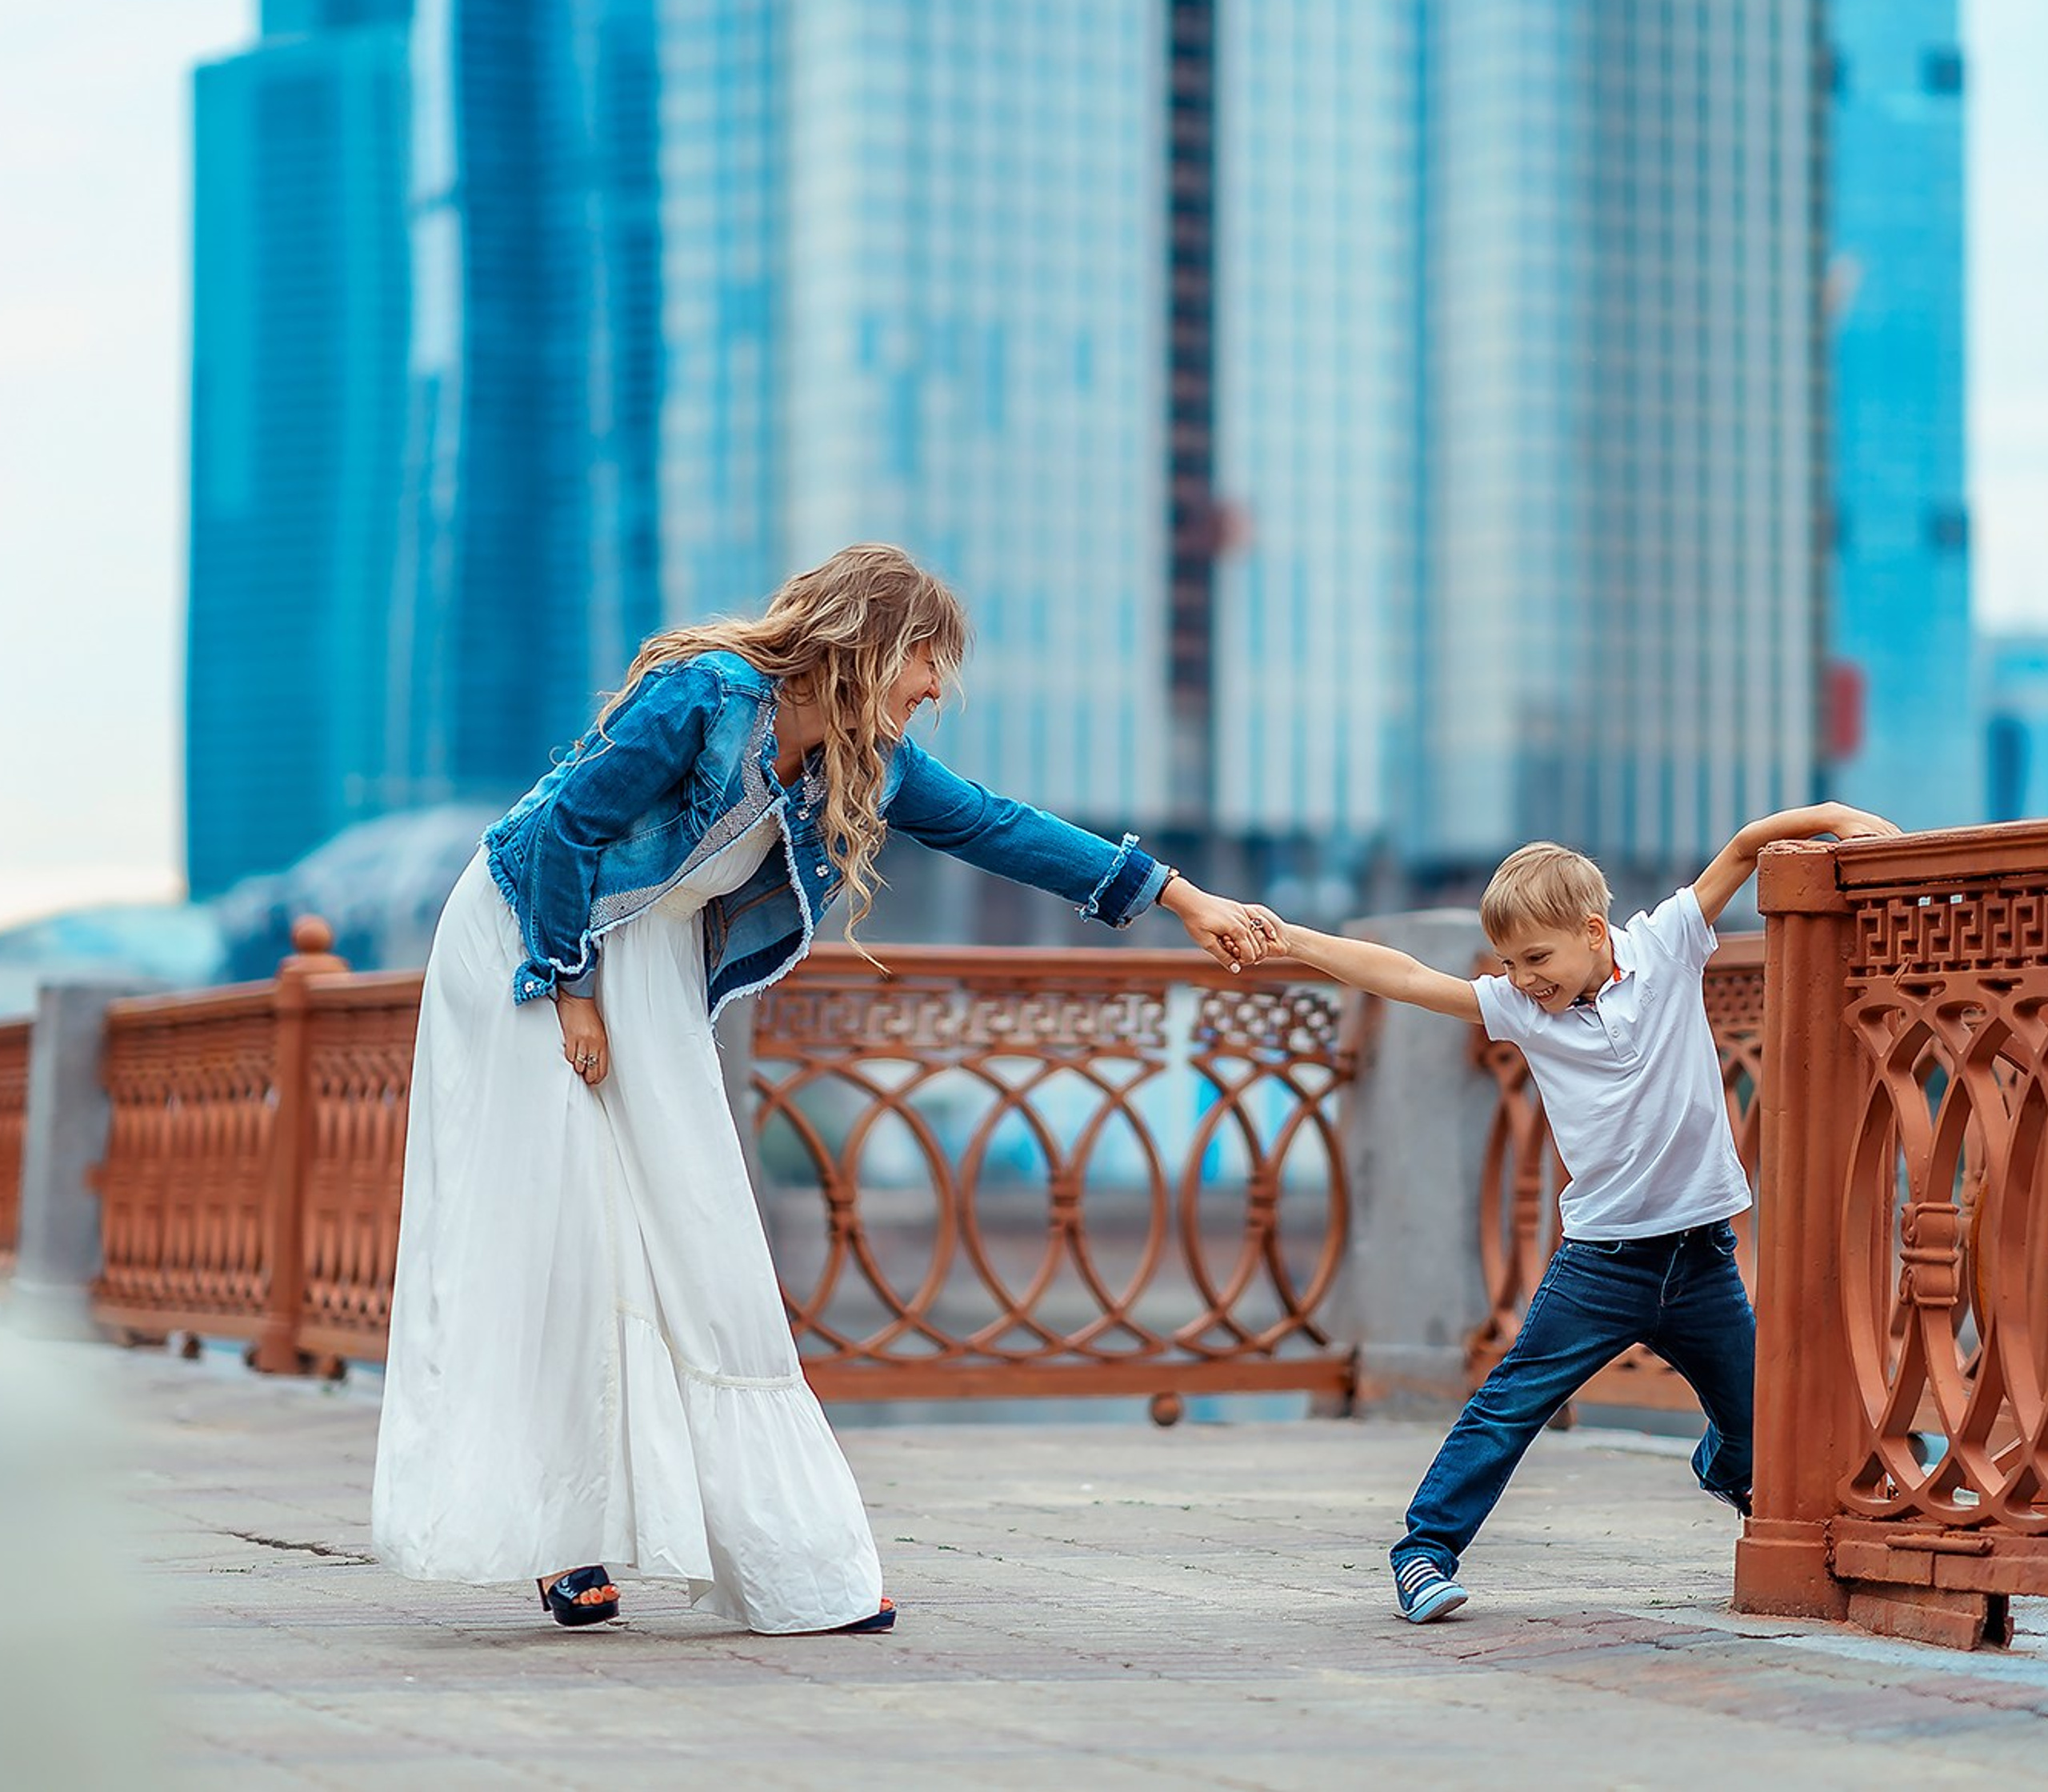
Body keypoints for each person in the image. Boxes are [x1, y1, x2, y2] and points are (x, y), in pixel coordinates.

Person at [370, 543, 1275, 1635]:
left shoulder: (865, 760)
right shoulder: (705, 697)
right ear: (873, 643)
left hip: (643, 959)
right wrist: (565, 989)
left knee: (697, 1238)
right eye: (929, 663)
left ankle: (794, 1561)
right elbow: (567, 829)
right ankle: (565, 1541)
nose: (936, 691)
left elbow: (1000, 825)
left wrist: (1181, 896)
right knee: (568, 1231)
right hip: (530, 937)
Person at [1253, 802, 1898, 1623]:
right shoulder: (1523, 1010)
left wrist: (1838, 819)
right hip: (1601, 1264)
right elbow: (1408, 977)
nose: (1521, 978)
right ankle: (1422, 1551)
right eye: (1509, 963)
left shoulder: (1666, 944)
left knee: (1754, 1423)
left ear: (1594, 931)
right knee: (1509, 1404)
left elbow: (1740, 847)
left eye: (1534, 957)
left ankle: (1728, 1472)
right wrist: (1295, 940)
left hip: (1700, 1260)